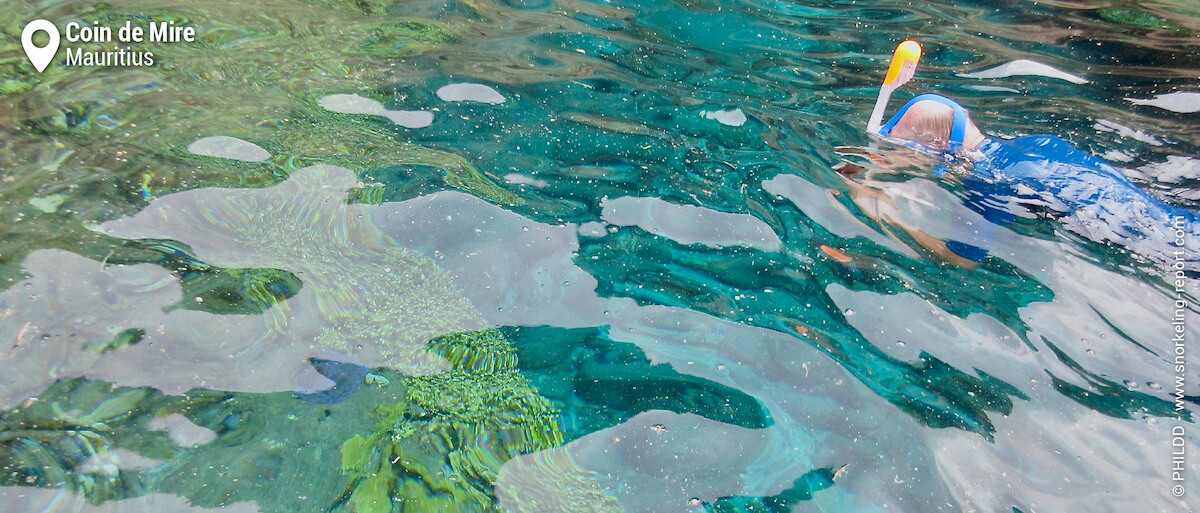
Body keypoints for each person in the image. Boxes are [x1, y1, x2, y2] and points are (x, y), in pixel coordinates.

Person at [840, 93, 1199, 271]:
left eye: (907, 151)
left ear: (937, 147)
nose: (903, 158)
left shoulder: (987, 183)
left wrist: (886, 215)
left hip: (1166, 251)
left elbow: (963, 260)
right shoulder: (1037, 142)